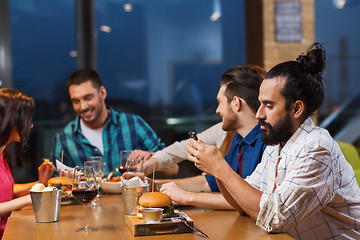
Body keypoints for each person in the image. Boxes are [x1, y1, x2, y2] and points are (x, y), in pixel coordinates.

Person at [187, 43, 360, 239]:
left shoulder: (316, 148)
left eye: (268, 105)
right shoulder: (277, 143)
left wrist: (220, 168)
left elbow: (274, 218)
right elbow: (243, 204)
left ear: (296, 109)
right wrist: (215, 169)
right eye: (260, 103)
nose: (259, 114)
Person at [152, 65, 266, 210]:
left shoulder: (267, 143)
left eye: (220, 102)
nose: (217, 110)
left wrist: (186, 197)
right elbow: (208, 183)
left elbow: (249, 201)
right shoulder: (238, 140)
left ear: (236, 104)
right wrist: (154, 185)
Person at [50, 69, 165, 176]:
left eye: (88, 98)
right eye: (76, 101)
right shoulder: (64, 138)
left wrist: (151, 156)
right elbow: (58, 185)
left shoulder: (133, 124)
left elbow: (173, 167)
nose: (83, 106)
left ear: (102, 93)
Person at [0, 88, 55, 237]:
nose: (30, 125)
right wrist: (29, 199)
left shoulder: (2, 155)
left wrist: (39, 183)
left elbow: (6, 190)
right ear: (10, 119)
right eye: (26, 119)